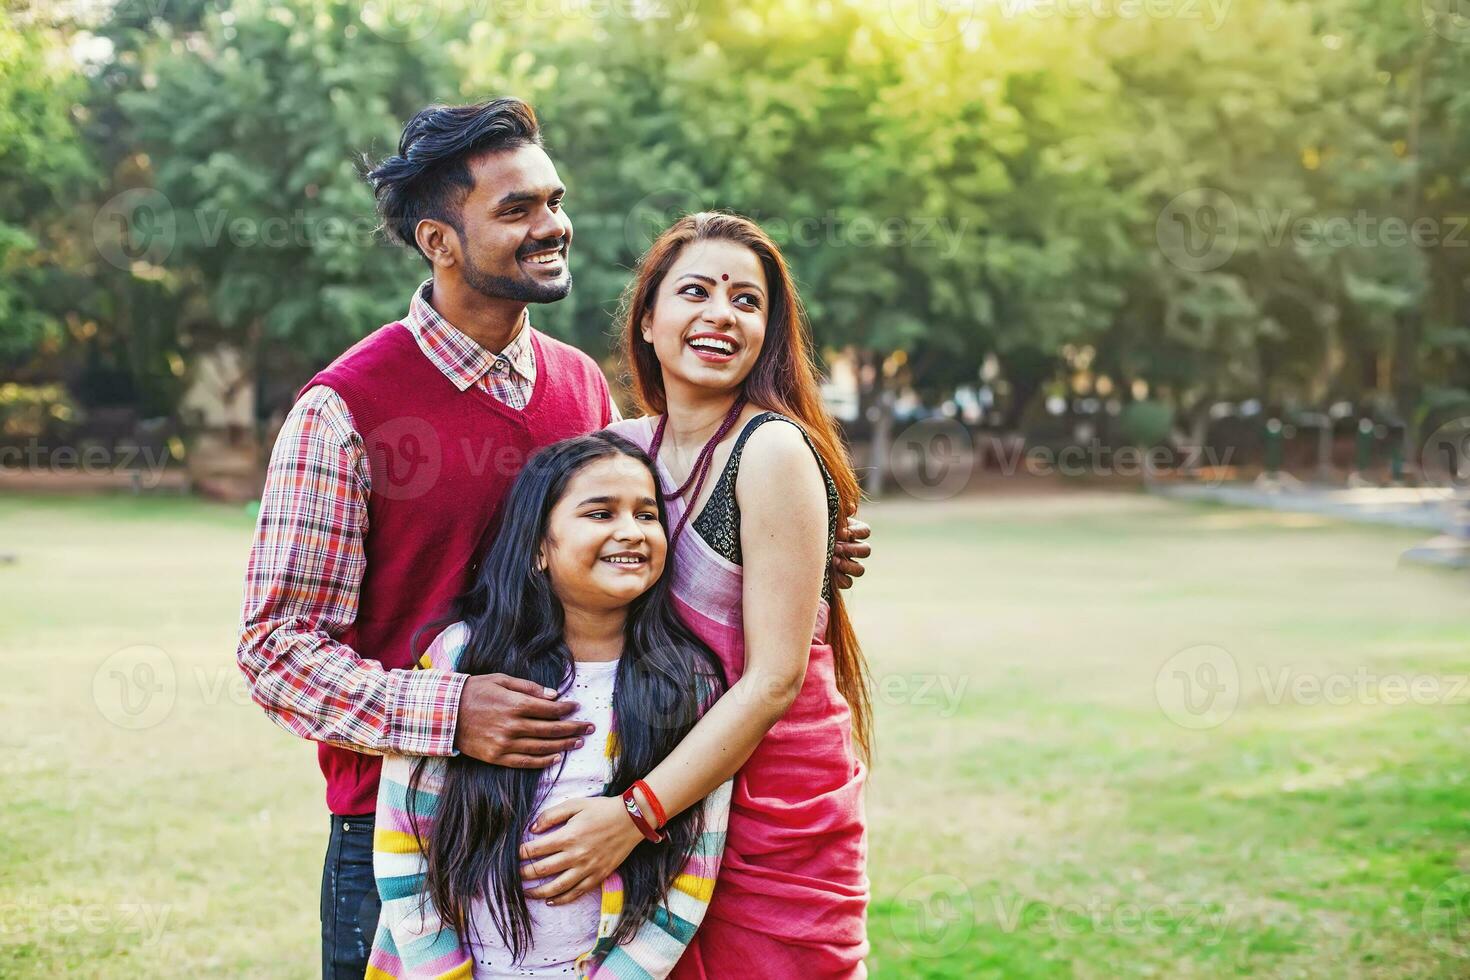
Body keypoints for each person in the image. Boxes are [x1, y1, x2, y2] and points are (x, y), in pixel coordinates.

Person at [233, 99, 871, 978]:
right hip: (410, 829)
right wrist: (452, 713)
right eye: (517, 210)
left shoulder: (582, 391)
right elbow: (275, 651)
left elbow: (641, 544)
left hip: (598, 817)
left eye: (554, 200)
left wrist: (795, 545)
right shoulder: (343, 409)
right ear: (439, 241)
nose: (553, 226)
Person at [518, 213, 871, 976]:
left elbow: (774, 680)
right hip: (662, 778)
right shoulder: (623, 452)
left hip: (767, 806)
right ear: (648, 319)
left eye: (747, 301)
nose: (722, 314)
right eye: (696, 291)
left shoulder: (771, 449)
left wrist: (633, 815)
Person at [368, 433, 732, 978]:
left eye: (647, 514)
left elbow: (692, 871)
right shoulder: (461, 660)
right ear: (539, 546)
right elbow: (404, 848)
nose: (630, 531)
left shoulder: (691, 684)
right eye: (600, 513)